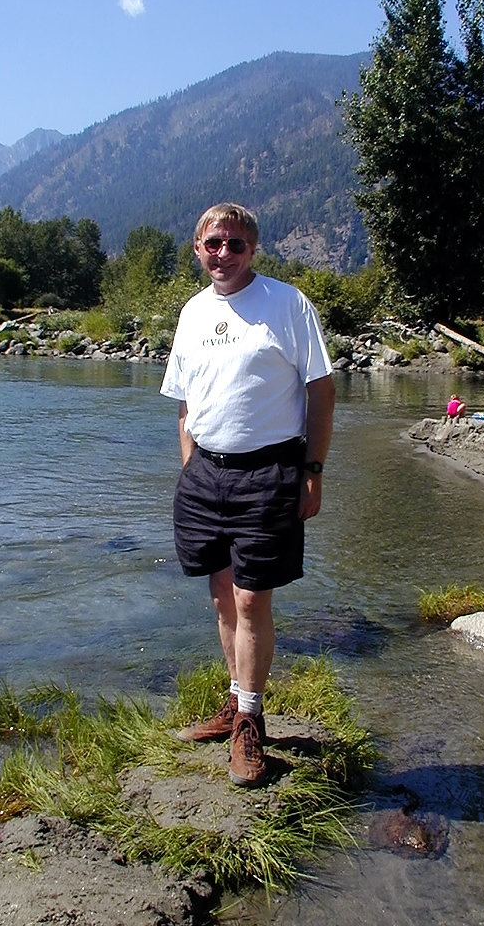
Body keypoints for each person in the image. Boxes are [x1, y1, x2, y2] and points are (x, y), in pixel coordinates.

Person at [160, 202, 335, 788]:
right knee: (219, 596)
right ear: (197, 247)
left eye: (236, 245)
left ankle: (251, 722)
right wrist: (191, 468)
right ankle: (235, 703)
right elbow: (186, 401)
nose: (224, 254)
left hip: (269, 473)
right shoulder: (190, 312)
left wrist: (312, 468)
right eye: (214, 243)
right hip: (205, 475)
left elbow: (321, 390)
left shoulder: (287, 304)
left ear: (253, 250)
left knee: (251, 600)